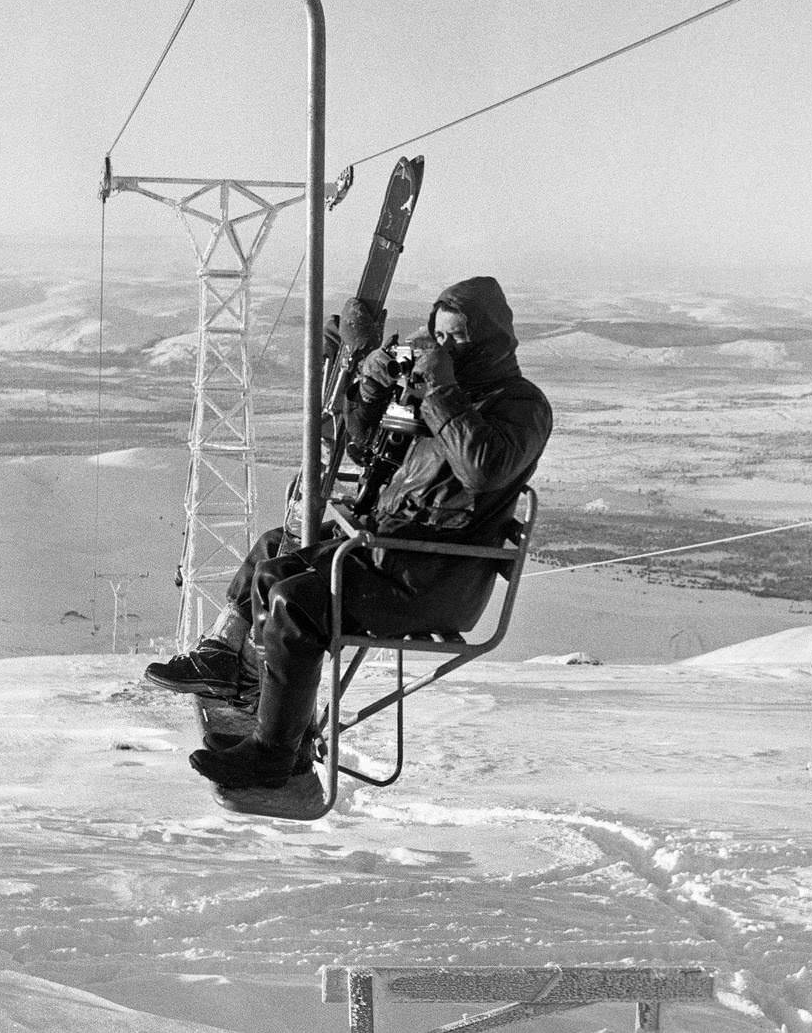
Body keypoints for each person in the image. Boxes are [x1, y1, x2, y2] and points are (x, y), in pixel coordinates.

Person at [144, 275, 553, 809]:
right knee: (275, 570)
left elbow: (482, 468)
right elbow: (369, 445)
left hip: (438, 577)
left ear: (491, 341)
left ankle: (274, 760)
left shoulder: (522, 406)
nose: (447, 350)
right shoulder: (444, 397)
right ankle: (268, 727)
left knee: (299, 603)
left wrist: (443, 393)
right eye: (440, 338)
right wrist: (374, 386)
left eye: (459, 340)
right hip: (399, 555)